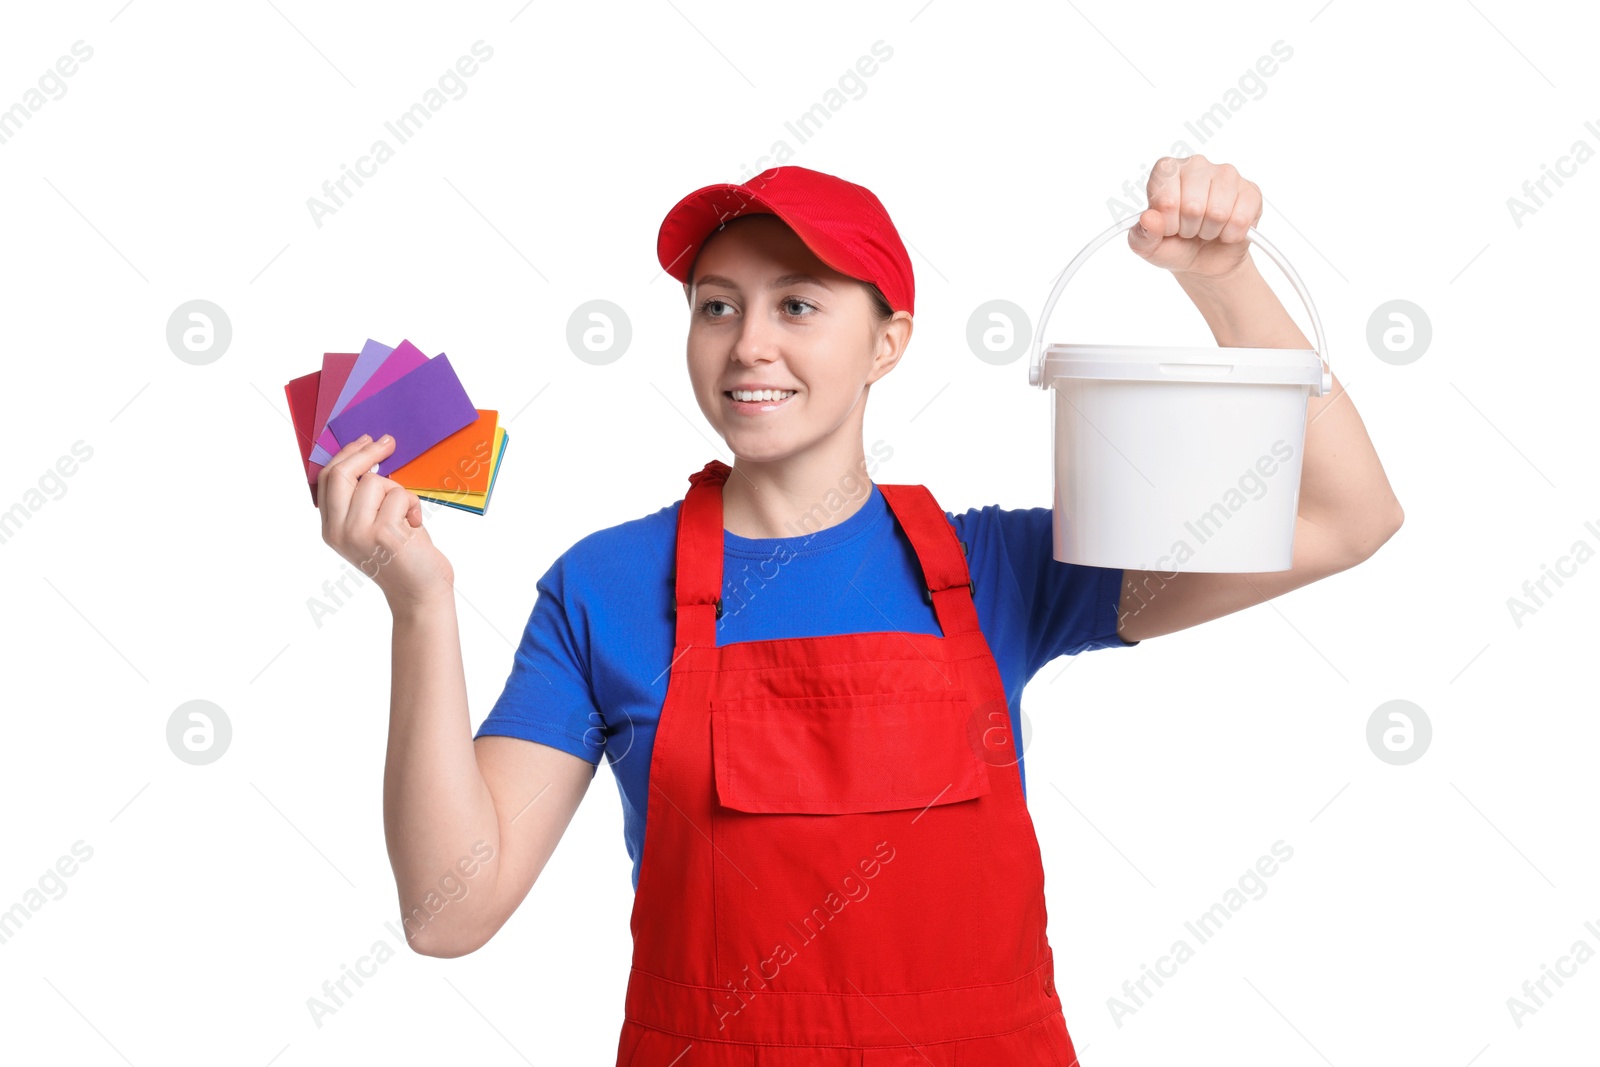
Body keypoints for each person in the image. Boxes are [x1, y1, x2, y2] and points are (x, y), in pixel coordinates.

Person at [316, 158, 1403, 1064]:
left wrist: (1222, 281)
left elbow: (1345, 516)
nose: (748, 342)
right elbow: (450, 910)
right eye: (716, 306)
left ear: (888, 342)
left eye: (798, 302)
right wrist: (420, 606)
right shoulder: (603, 584)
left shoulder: (1001, 567)